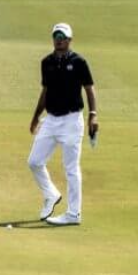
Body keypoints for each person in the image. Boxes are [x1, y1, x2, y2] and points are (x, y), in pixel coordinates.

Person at [27, 22, 97, 226]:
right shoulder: (46, 62)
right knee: (34, 161)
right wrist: (35, 117)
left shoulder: (79, 62)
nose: (59, 40)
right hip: (51, 120)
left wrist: (93, 114)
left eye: (62, 37)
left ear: (69, 40)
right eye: (56, 36)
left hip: (72, 121)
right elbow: (45, 91)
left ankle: (74, 214)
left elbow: (89, 89)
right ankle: (51, 194)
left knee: (71, 168)